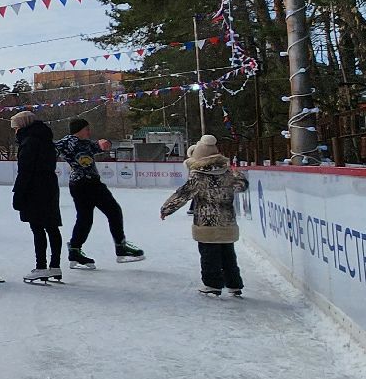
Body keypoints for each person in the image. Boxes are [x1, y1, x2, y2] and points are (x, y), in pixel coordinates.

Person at [160, 135, 251, 296]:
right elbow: (242, 185)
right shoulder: (228, 173)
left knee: (209, 255)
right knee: (228, 255)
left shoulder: (198, 176)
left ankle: (213, 284)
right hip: (227, 221)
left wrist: (166, 209)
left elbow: (183, 194)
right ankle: (234, 284)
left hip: (206, 223)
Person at [57, 117, 145, 266]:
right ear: (79, 130)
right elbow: (52, 146)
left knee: (104, 213)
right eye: (87, 129)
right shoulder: (67, 142)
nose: (89, 131)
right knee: (96, 215)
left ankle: (78, 248)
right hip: (82, 184)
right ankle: (79, 249)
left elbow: (99, 146)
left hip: (93, 183)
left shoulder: (86, 143)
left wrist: (106, 143)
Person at [11, 111, 64, 283]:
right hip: (49, 186)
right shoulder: (46, 140)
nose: (15, 131)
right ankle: (55, 266)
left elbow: (25, 172)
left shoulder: (29, 142)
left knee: (38, 228)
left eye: (16, 127)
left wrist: (18, 195)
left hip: (35, 188)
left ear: (23, 126)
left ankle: (41, 266)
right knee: (52, 226)